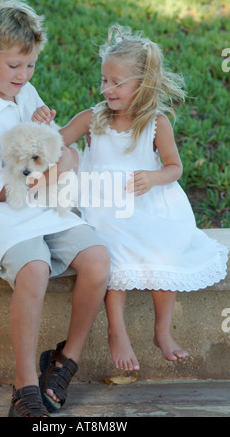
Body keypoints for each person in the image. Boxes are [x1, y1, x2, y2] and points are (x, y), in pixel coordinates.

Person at [0, 0, 110, 417]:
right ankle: (25, 386)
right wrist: (55, 173)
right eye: (14, 65)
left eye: (31, 64)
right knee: (34, 267)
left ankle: (63, 362)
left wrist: (62, 153)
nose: (23, 75)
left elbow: (49, 143)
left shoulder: (25, 90)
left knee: (97, 259)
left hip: (41, 199)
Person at [33, 24, 228, 373]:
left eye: (116, 82)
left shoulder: (156, 124)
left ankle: (162, 330)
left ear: (143, 84)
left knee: (164, 250)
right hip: (105, 208)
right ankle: (116, 331)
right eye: (104, 80)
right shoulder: (93, 118)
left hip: (146, 203)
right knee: (113, 252)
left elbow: (175, 167)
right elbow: (57, 141)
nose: (106, 88)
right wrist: (43, 124)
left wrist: (153, 177)